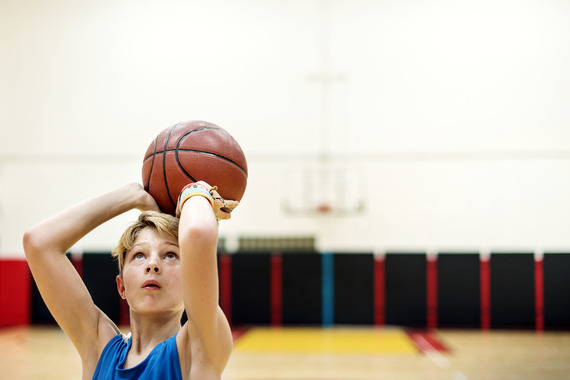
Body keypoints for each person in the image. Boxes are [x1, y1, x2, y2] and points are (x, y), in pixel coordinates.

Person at [23, 181, 237, 380]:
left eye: (170, 255)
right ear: (122, 286)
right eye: (139, 255)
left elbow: (198, 233)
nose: (152, 265)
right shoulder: (100, 350)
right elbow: (39, 242)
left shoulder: (196, 347)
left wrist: (195, 191)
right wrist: (134, 195)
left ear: (188, 281)